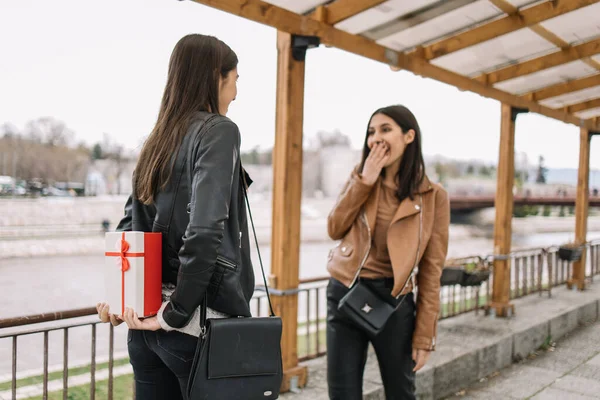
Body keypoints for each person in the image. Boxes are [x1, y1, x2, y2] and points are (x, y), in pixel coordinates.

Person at [96, 34, 255, 400]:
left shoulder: (156, 140)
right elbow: (203, 231)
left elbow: (128, 229)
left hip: (144, 330)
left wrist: (124, 301)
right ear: (217, 76)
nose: (235, 94)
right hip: (193, 326)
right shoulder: (219, 131)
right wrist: (176, 312)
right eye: (235, 81)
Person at [325, 105, 450, 399]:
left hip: (394, 303)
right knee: (342, 394)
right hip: (345, 292)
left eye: (385, 129)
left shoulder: (433, 196)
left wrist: (424, 336)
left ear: (409, 136)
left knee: (401, 393)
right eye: (371, 132)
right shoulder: (361, 177)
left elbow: (432, 270)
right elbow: (334, 227)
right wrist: (364, 181)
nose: (376, 139)